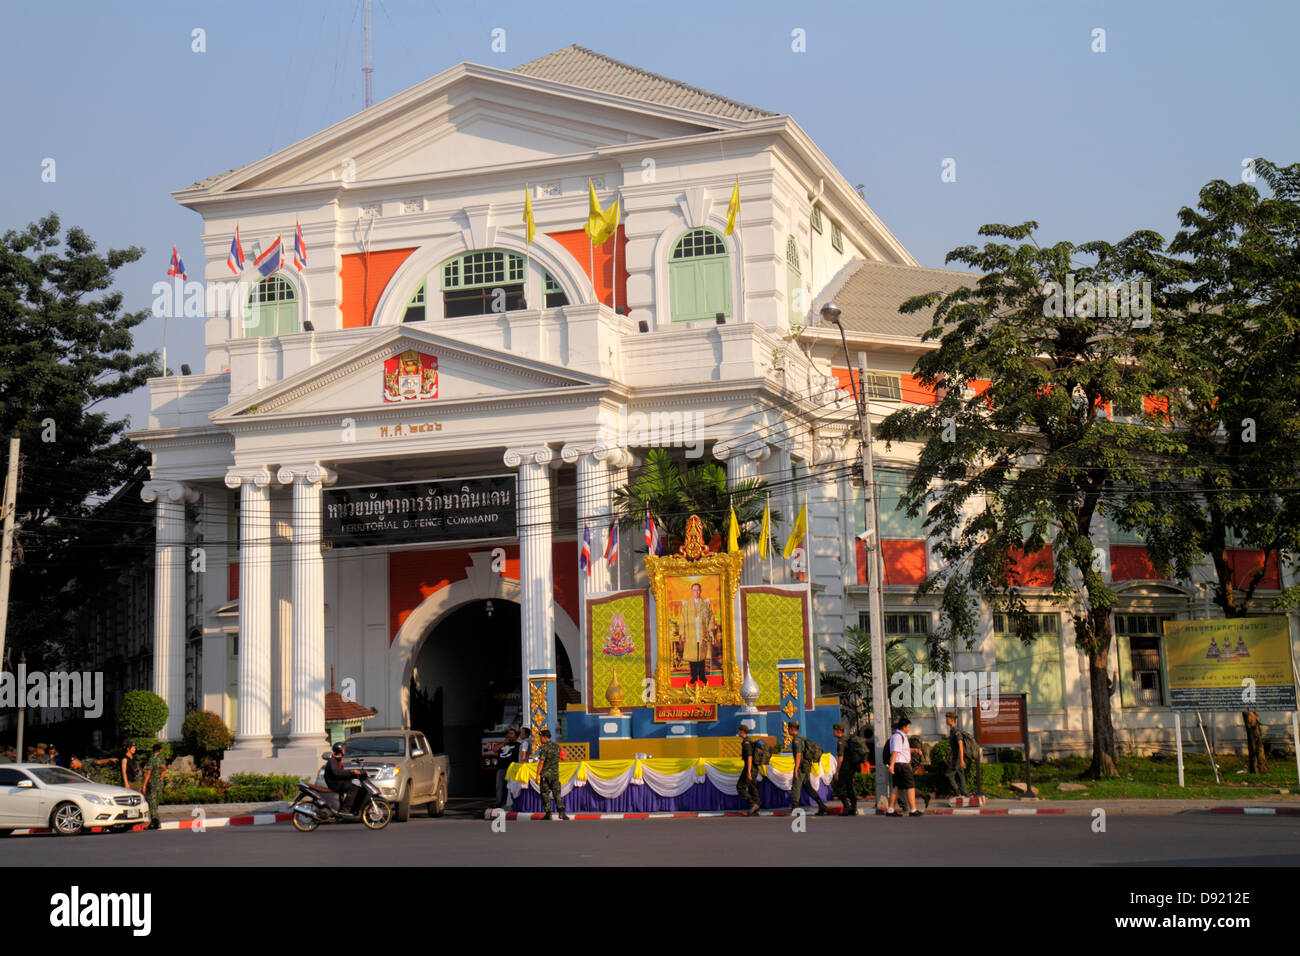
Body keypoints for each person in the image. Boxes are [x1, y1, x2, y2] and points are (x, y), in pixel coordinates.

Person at [677, 582, 716, 686]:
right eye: (694, 590)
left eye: (698, 590)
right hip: (691, 634)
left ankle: (702, 676)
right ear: (691, 591)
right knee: (693, 656)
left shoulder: (705, 605)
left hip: (702, 633)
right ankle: (694, 677)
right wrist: (682, 633)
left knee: (701, 656)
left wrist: (710, 629)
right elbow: (683, 620)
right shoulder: (686, 605)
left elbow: (711, 618)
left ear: (701, 591)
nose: (696, 592)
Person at [787, 721, 828, 816]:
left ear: (792, 729)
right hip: (806, 766)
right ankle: (822, 806)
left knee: (796, 786)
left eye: (788, 729)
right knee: (808, 787)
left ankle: (795, 809)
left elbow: (798, 754)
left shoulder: (797, 740)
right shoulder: (802, 738)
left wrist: (795, 769)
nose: (788, 730)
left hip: (801, 766)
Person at [887, 718, 921, 817]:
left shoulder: (902, 736)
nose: (909, 729)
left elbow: (903, 749)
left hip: (899, 764)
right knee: (911, 787)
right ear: (904, 727)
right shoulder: (898, 737)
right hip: (901, 765)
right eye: (908, 727)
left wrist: (914, 750)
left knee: (897, 787)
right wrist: (892, 766)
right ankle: (913, 810)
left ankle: (890, 809)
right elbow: (895, 751)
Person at [323, 742, 366, 815]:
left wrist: (354, 775)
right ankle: (345, 810)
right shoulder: (332, 761)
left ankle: (353, 808)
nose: (344, 750)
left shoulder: (337, 760)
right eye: (343, 749)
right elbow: (338, 773)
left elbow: (342, 772)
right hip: (334, 783)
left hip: (338, 781)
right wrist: (352, 772)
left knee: (358, 788)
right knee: (353, 788)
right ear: (340, 750)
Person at [832, 723, 866, 817]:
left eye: (834, 730)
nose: (833, 732)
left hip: (845, 767)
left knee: (837, 787)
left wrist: (837, 771)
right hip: (852, 767)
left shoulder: (840, 742)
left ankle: (847, 806)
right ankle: (854, 808)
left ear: (838, 731)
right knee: (849, 787)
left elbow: (841, 758)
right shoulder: (847, 739)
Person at [534, 730, 569, 820]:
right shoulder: (557, 746)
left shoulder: (544, 748)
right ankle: (561, 813)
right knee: (557, 793)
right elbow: (564, 757)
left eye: (540, 737)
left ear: (545, 737)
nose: (540, 739)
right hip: (555, 774)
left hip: (545, 775)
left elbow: (541, 762)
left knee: (545, 794)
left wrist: (537, 775)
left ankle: (548, 814)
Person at [735, 725, 760, 816]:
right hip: (753, 768)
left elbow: (749, 757)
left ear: (742, 731)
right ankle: (757, 810)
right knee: (753, 788)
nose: (738, 732)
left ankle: (753, 804)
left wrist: (748, 771)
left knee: (740, 787)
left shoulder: (746, 743)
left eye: (739, 731)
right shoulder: (749, 741)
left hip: (750, 768)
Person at [944, 711, 969, 798]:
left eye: (947, 719)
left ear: (952, 720)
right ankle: (965, 793)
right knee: (961, 774)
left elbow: (960, 744)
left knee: (948, 775)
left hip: (958, 757)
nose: (946, 721)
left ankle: (957, 792)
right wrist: (948, 756)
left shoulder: (956, 731)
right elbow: (953, 746)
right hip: (955, 756)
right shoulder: (952, 731)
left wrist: (961, 759)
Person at [494, 729, 521, 810]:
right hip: (501, 768)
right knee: (499, 786)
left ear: (516, 736)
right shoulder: (502, 744)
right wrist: (503, 744)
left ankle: (508, 803)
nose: (509, 735)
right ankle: (499, 802)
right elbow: (495, 749)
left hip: (511, 769)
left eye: (511, 733)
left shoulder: (518, 745)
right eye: (508, 733)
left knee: (509, 787)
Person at [142, 743, 166, 830]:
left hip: (152, 784)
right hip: (159, 783)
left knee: (151, 802)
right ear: (160, 750)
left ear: (153, 751)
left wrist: (144, 785)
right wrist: (160, 781)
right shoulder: (162, 760)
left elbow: (148, 773)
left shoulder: (151, 759)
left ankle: (154, 822)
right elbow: (163, 772)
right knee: (156, 803)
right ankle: (157, 822)